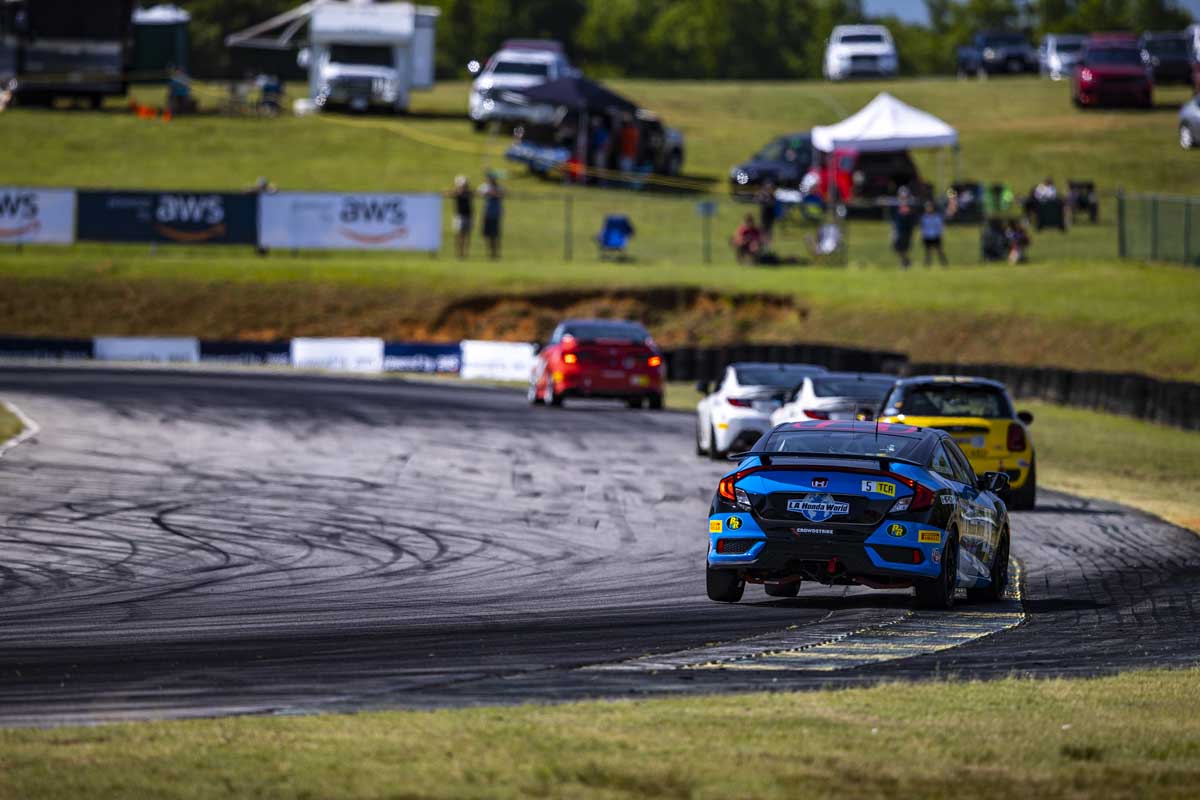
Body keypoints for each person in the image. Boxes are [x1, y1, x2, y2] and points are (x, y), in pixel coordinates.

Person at [479, 171, 504, 260]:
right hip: (487, 214)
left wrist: (494, 192)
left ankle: (496, 253)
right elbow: (480, 193)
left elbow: (502, 194)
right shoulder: (484, 187)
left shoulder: (499, 187)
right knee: (487, 235)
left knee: (496, 235)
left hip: (496, 214)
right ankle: (489, 253)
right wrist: (489, 192)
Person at [891, 188, 918, 268]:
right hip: (897, 228)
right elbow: (894, 217)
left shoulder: (911, 205)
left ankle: (904, 263)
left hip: (907, 229)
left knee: (904, 247)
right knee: (896, 246)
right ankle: (906, 261)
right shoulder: (896, 205)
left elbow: (913, 218)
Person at [448, 175, 473, 259]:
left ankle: (466, 253)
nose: (465, 185)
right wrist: (457, 191)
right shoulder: (457, 192)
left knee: (467, 235)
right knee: (459, 235)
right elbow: (449, 194)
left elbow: (473, 193)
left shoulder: (468, 192)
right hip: (459, 216)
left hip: (468, 215)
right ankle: (459, 253)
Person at [920, 201, 948, 267]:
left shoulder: (937, 216)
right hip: (927, 236)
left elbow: (940, 226)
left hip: (936, 236)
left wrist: (941, 233)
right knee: (928, 251)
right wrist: (922, 235)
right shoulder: (924, 217)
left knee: (939, 250)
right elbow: (923, 227)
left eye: (930, 207)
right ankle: (927, 264)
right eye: (927, 207)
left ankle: (944, 263)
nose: (928, 208)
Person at [754, 181, 777, 247]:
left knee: (769, 230)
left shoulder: (773, 196)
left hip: (770, 217)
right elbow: (757, 200)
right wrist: (760, 195)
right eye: (768, 188)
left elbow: (772, 204)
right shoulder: (763, 196)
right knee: (762, 230)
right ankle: (762, 242)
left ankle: (768, 243)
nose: (769, 190)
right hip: (764, 216)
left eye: (771, 188)